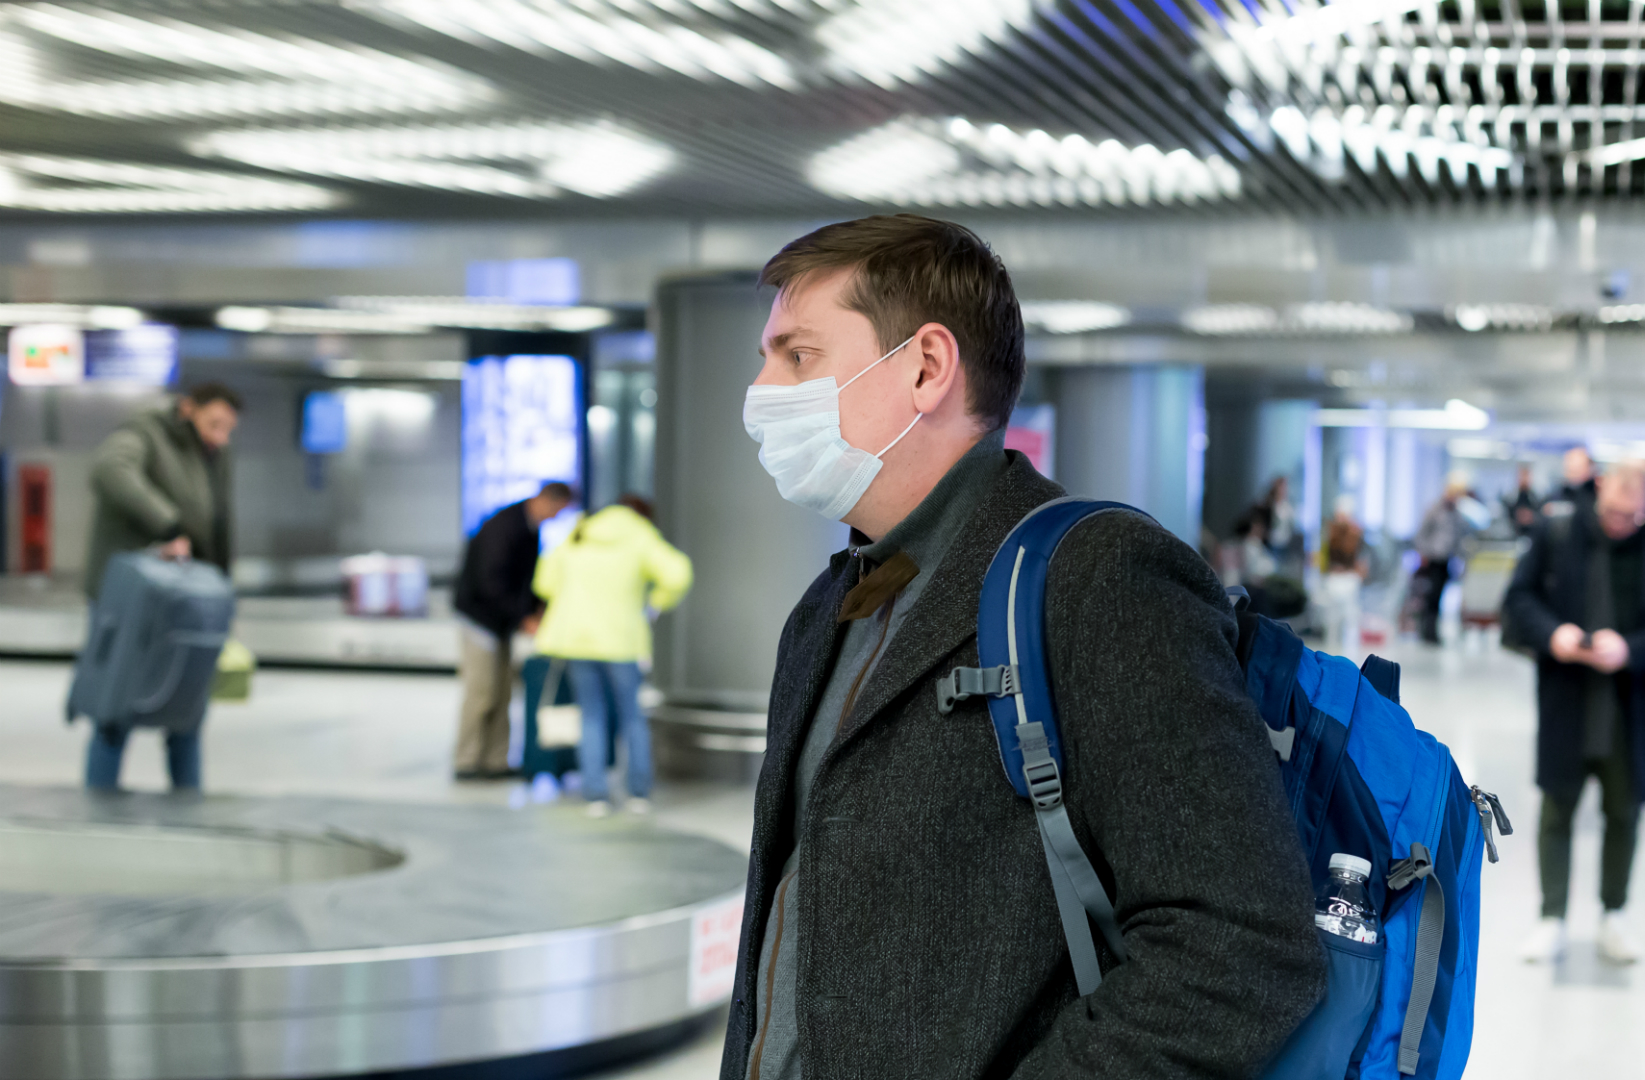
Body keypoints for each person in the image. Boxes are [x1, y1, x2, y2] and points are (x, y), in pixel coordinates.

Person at [726, 215, 1324, 1079]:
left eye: (796, 355)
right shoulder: (831, 608)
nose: (761, 389)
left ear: (926, 368)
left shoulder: (1098, 581)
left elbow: (1238, 946)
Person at [1503, 460, 1645, 966]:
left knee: (1624, 810)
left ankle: (1614, 914)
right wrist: (1555, 635)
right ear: (1600, 487)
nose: (1617, 522)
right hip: (1568, 693)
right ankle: (1552, 917)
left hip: (1632, 704)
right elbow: (1518, 599)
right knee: (1556, 806)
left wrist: (1630, 649)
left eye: (1629, 517)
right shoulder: (1558, 530)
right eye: (1612, 510)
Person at [79, 382, 242, 792]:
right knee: (117, 705)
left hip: (189, 598)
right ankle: (98, 807)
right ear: (187, 409)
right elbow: (109, 471)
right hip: (134, 599)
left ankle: (188, 806)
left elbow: (217, 524)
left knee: (188, 709)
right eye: (213, 424)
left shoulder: (214, 454)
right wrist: (166, 525)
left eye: (227, 429)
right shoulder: (144, 433)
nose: (220, 436)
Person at [532, 494, 692, 816]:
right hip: (623, 642)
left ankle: (596, 795)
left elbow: (544, 583)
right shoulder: (640, 534)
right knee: (632, 715)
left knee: (591, 715)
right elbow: (678, 574)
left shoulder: (578, 533)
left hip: (577, 640)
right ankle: (637, 793)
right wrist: (655, 603)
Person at [451, 481, 573, 781]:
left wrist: (536, 610)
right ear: (546, 500)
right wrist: (524, 618)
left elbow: (527, 579)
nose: (557, 517)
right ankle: (467, 761)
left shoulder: (530, 528)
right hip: (480, 621)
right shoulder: (504, 526)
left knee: (503, 694)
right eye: (558, 510)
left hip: (501, 623)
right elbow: (490, 583)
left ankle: (496, 760)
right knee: (481, 694)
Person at [1411, 477, 1471, 644]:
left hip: (1446, 560)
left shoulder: (1457, 514)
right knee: (1429, 597)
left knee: (1439, 598)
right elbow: (1422, 533)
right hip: (1432, 559)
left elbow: (1458, 538)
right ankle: (1427, 632)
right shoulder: (1434, 510)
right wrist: (1422, 553)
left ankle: (1433, 631)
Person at [1318, 495, 1368, 654]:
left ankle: (1350, 649)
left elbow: (1359, 561)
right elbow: (1324, 560)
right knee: (1332, 618)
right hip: (1334, 578)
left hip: (1349, 578)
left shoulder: (1356, 533)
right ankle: (1331, 647)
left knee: (1350, 615)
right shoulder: (1329, 532)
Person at [1259, 475, 1307, 576]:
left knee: (1285, 571)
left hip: (1286, 544)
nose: (1285, 489)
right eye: (1282, 486)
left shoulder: (1288, 506)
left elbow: (1293, 525)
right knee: (1273, 570)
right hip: (1272, 544)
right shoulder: (1269, 505)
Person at [1506, 463, 1541, 531]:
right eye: (1522, 475)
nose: (1524, 479)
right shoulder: (1510, 499)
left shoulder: (1537, 499)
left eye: (1526, 475)